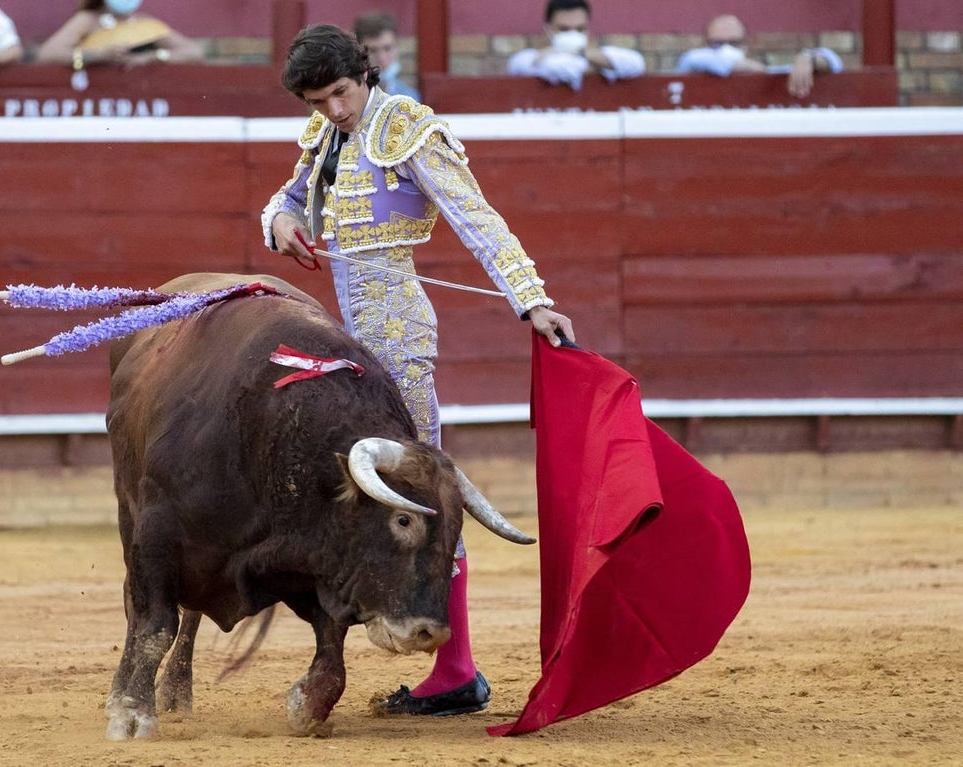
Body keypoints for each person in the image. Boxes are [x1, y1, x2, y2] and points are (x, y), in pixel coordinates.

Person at [262, 24, 575, 717]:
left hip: (397, 328)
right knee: (365, 492)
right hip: (345, 336)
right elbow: (289, 196)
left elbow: (477, 218)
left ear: (364, 75)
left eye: (340, 93)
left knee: (423, 494)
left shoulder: (406, 127)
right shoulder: (325, 137)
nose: (335, 110)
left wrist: (532, 300)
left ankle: (457, 669)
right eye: (319, 101)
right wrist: (281, 222)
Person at [674, 14, 843, 99]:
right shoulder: (691, 65)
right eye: (717, 44)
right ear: (705, 44)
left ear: (747, 46)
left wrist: (809, 58)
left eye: (734, 43)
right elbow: (690, 59)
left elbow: (835, 62)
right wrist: (739, 65)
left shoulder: (765, 73)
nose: (726, 50)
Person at [507, 0, 644, 91]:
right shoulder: (528, 58)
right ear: (548, 30)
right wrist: (599, 67)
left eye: (580, 29)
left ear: (588, 29)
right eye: (564, 29)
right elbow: (560, 69)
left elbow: (636, 63)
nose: (573, 34)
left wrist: (583, 53)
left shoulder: (598, 55)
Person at [35, 0, 205, 69]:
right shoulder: (87, 20)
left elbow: (194, 52)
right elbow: (47, 54)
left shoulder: (145, 24)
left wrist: (152, 57)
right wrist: (98, 55)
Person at [353, 11, 420, 101]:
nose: (382, 59)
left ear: (397, 48)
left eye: (387, 48)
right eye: (373, 51)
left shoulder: (409, 96)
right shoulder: (352, 96)